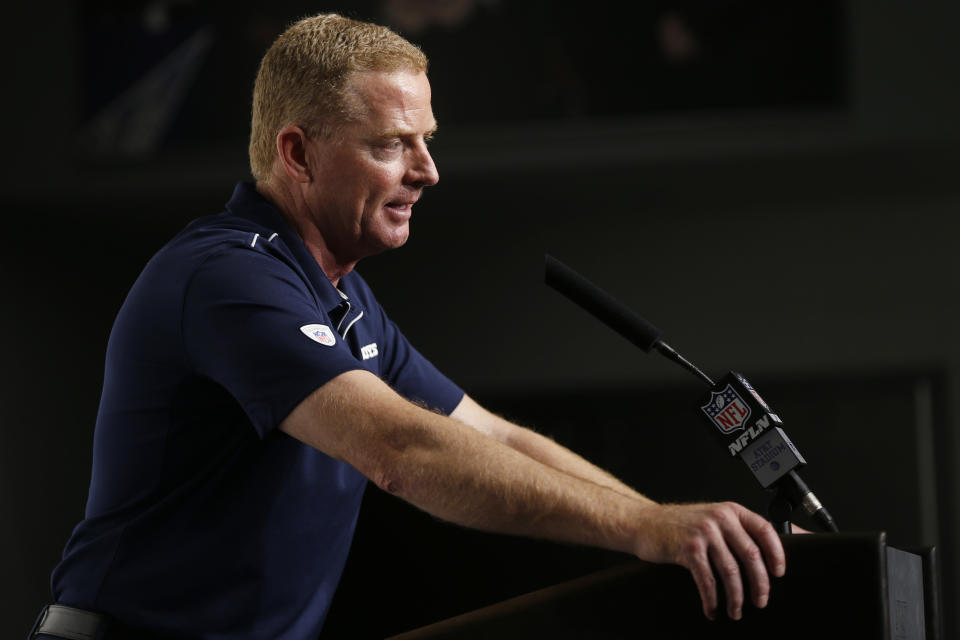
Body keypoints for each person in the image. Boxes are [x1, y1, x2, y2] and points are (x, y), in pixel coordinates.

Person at [32, 13, 786, 640]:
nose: (427, 171)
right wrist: (648, 529)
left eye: (427, 140)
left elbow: (493, 437)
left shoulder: (346, 305)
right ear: (297, 153)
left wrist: (671, 529)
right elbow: (400, 448)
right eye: (391, 144)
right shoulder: (227, 276)